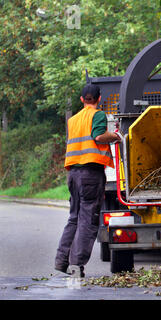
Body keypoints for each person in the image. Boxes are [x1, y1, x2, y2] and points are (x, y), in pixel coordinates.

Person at [55, 83, 121, 277]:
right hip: (90, 174)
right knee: (88, 220)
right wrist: (117, 136)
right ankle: (76, 265)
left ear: (82, 99)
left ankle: (61, 261)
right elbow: (99, 136)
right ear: (99, 98)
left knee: (74, 217)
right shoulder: (98, 115)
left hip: (73, 174)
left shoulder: (73, 120)